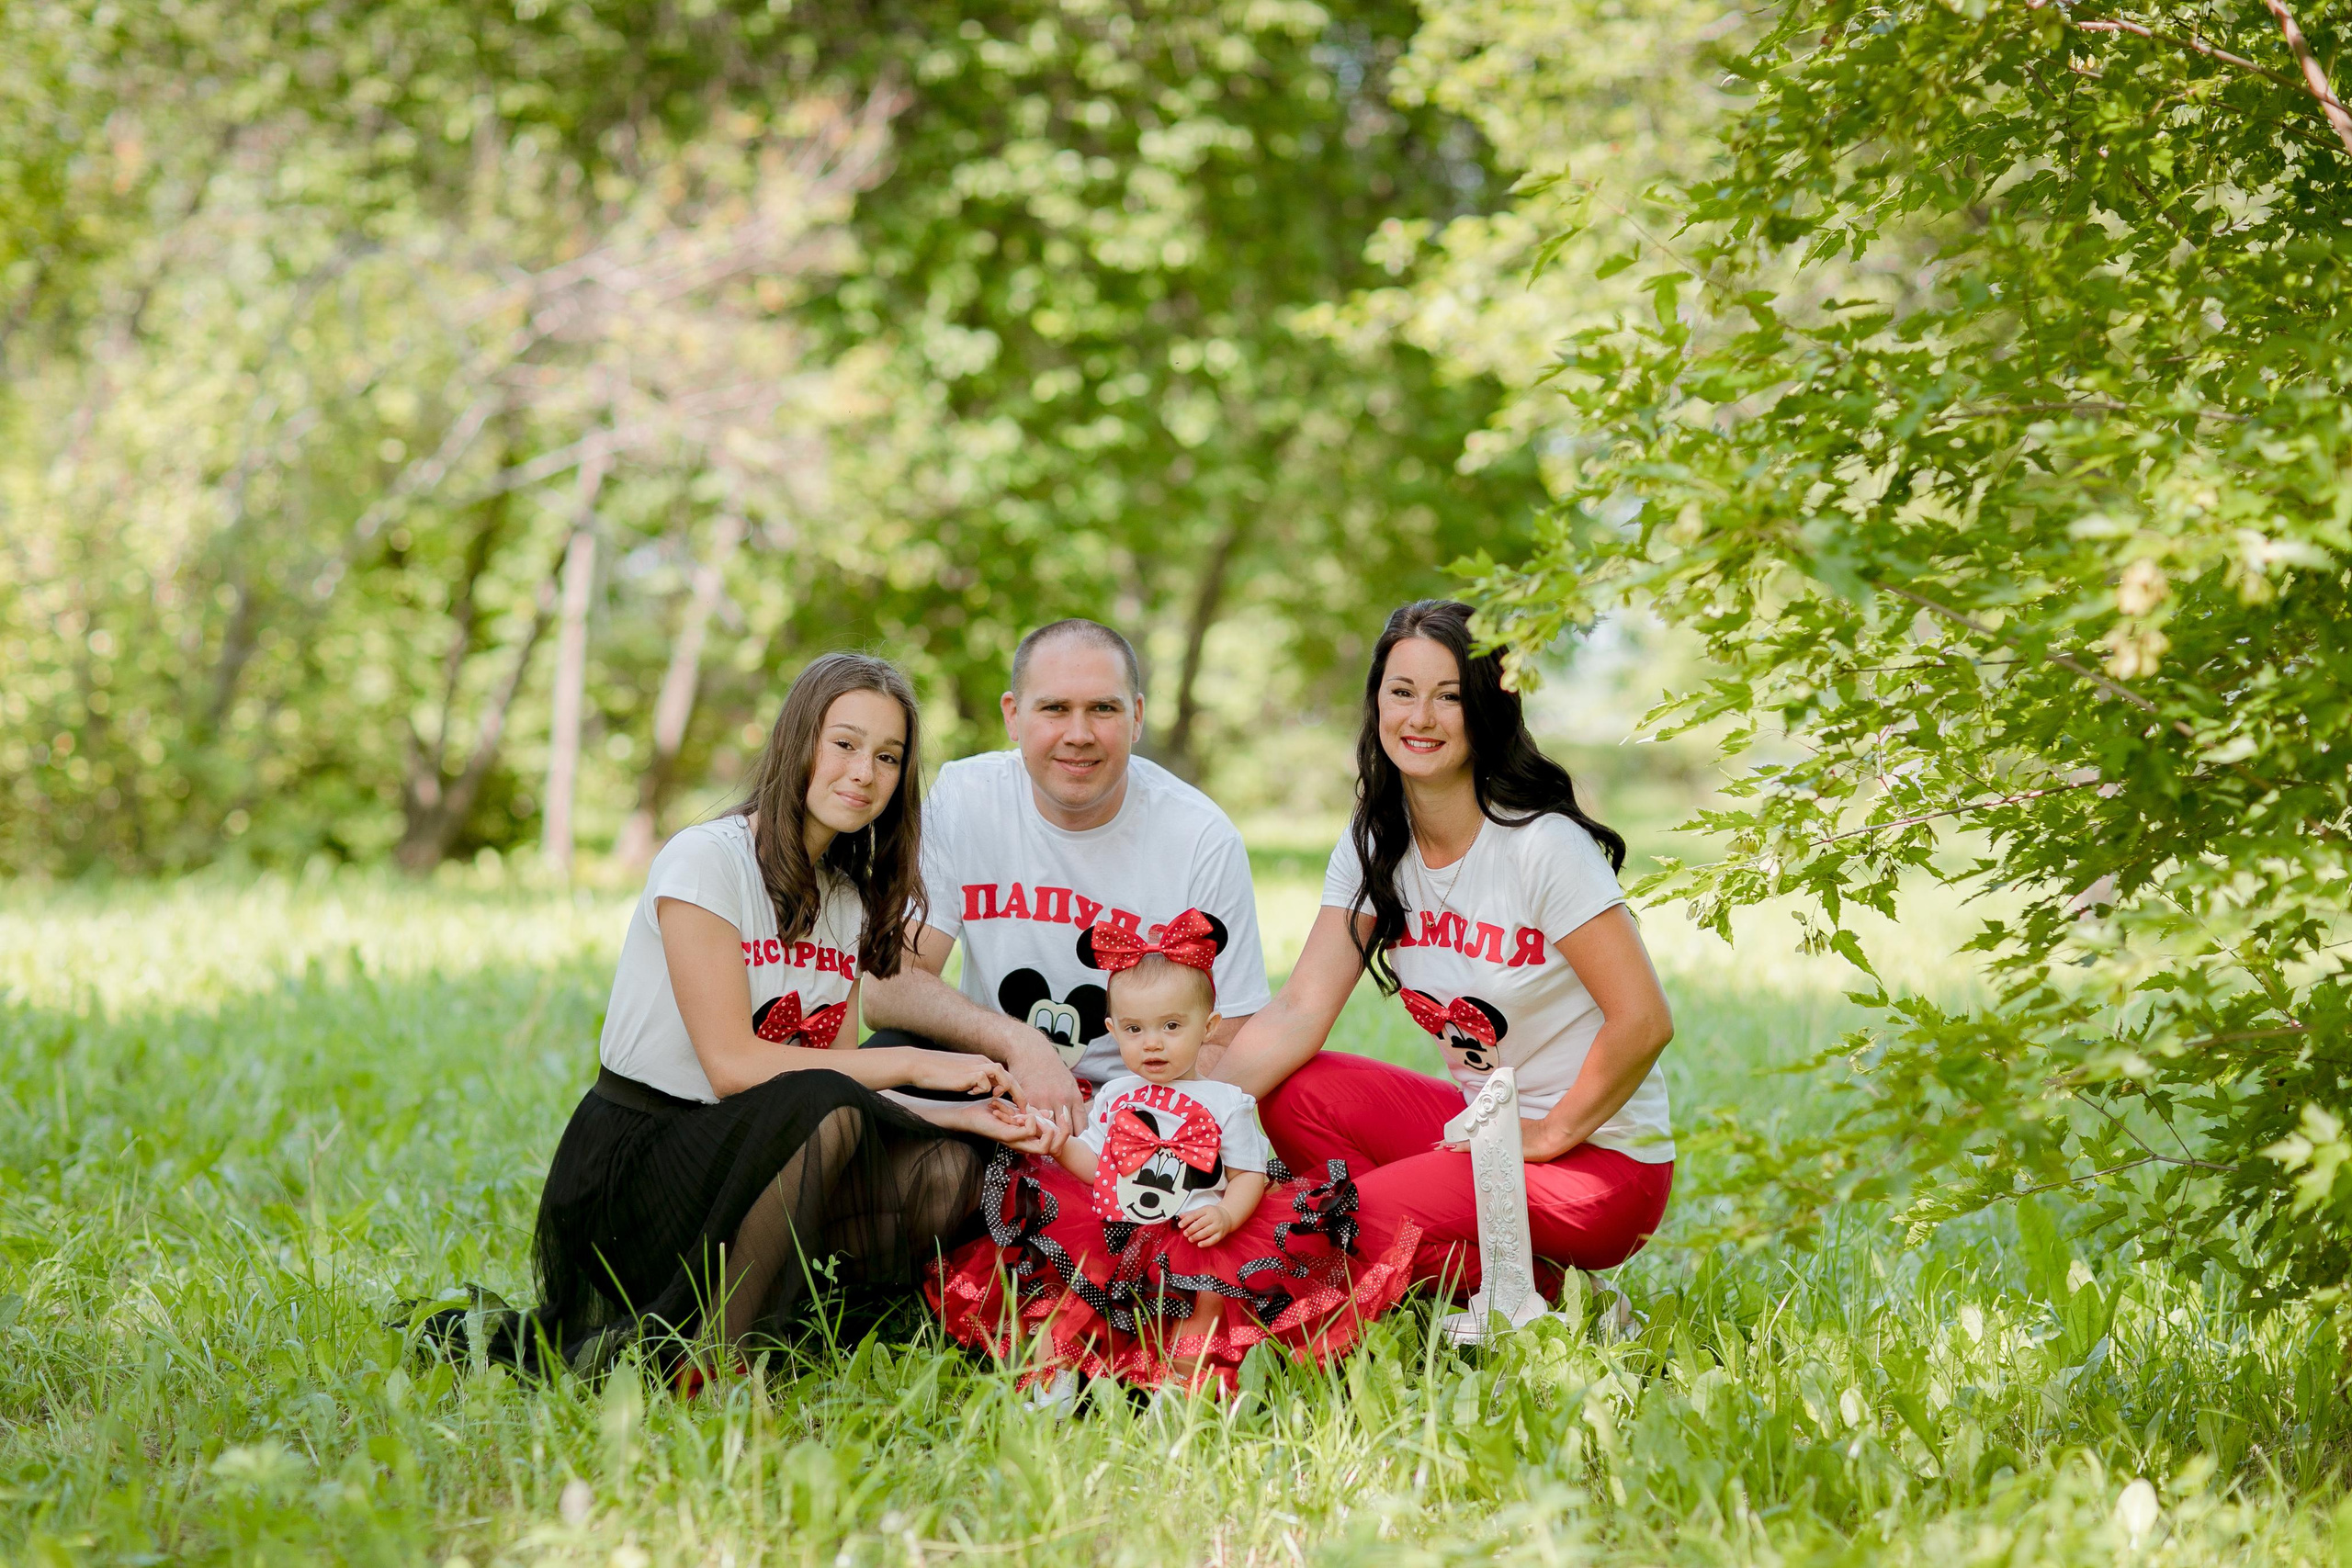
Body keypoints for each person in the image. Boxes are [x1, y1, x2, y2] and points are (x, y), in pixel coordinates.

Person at [453, 653, 1031, 1379]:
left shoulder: (846, 898)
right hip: (644, 1167)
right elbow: (734, 1067)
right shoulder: (707, 861)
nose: (864, 772)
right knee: (828, 1105)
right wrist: (919, 1060)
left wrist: (961, 1114)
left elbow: (840, 1083)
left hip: (751, 1163)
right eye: (845, 744)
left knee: (946, 1167)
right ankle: (715, 1364)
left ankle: (791, 1319)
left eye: (888, 757)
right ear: (798, 742)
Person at [1216, 600, 1675, 1302]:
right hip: (1482, 1133)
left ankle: (1399, 1242)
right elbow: (1300, 1007)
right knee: (1293, 1093)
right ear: (1377, 702)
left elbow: (1644, 1019)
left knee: (1346, 1219)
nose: (1420, 717)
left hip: (1601, 1166)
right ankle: (1528, 1283)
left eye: (1449, 696)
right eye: (1402, 692)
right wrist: (1189, 1116)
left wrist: (1551, 1131)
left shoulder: (1543, 845)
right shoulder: (1377, 841)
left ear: (1487, 707)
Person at [929, 910, 1414, 1393]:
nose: (1153, 1044)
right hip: (1117, 1228)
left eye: (1172, 1026)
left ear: (1209, 1026)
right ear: (1112, 1030)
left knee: (1206, 1299)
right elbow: (1098, 1168)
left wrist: (1226, 1214)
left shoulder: (1226, 1101)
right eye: (1134, 1030)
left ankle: (1183, 1386)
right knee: (1071, 1282)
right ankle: (1055, 1374)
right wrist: (1060, 1145)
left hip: (1197, 1233)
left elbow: (1248, 1175)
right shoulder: (1116, 1095)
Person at [860, 619, 1272, 1130]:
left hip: (1141, 1112)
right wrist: (1022, 1043)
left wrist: (1113, 1124)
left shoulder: (1200, 837)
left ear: (1137, 717)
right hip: (998, 1082)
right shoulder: (966, 798)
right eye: (1055, 708)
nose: (1078, 735)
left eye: (1103, 709)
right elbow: (887, 987)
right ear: (1013, 716)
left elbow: (1230, 1037)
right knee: (883, 1062)